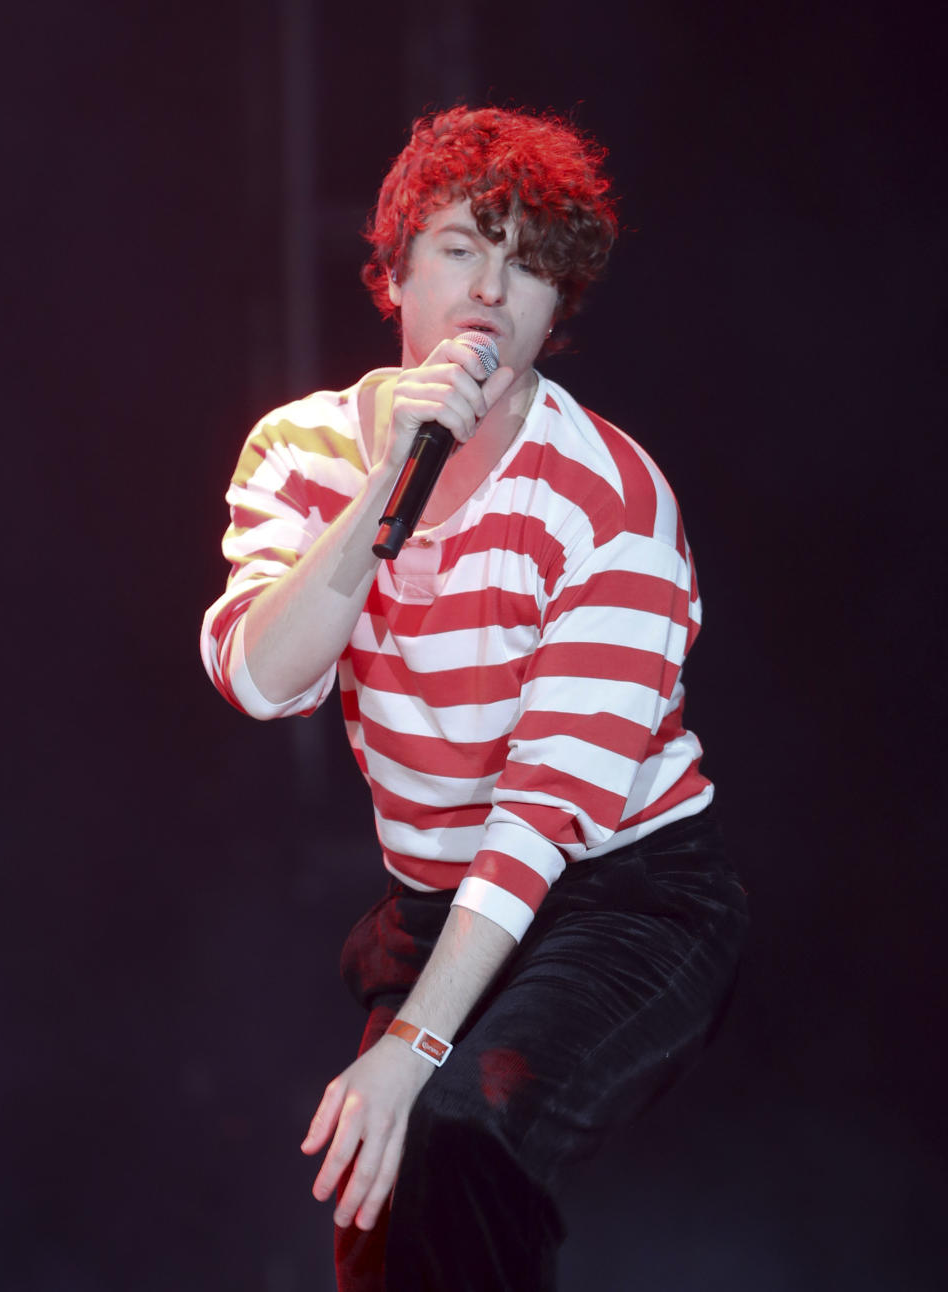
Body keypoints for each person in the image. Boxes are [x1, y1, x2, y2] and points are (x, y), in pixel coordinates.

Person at [200, 105, 748, 1291]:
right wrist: (393, 475)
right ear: (394, 272)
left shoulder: (611, 500)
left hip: (625, 891)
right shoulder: (301, 452)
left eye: (531, 263)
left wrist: (411, 1042)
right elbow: (259, 676)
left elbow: (543, 811)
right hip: (440, 894)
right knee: (377, 1198)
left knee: (459, 1123)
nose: (494, 288)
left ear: (561, 309)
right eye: (461, 246)